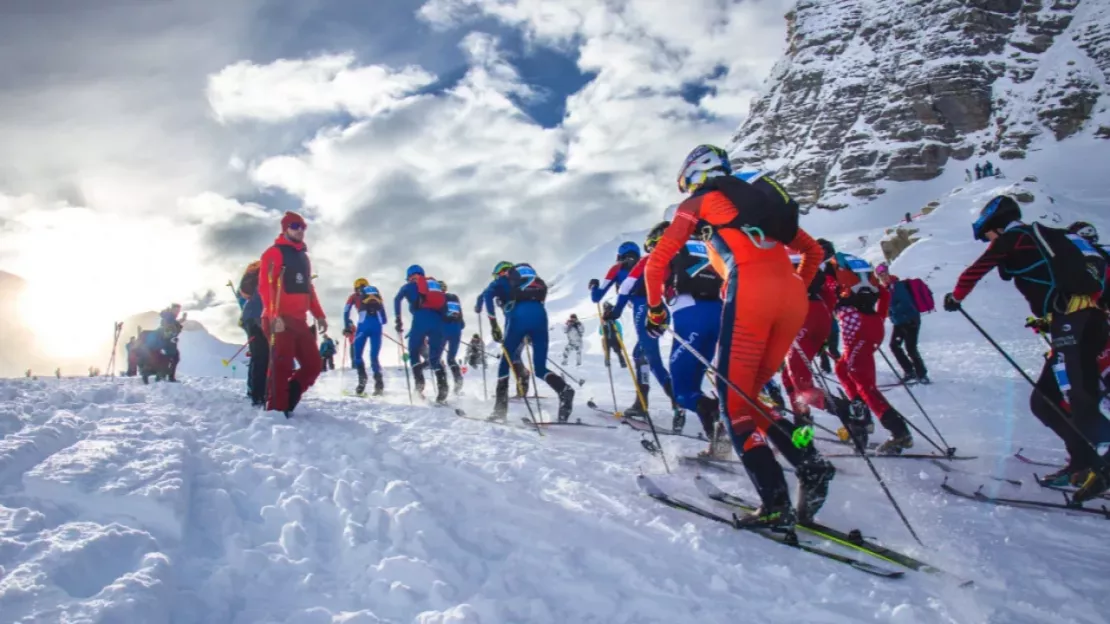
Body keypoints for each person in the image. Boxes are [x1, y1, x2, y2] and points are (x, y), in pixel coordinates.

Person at [643, 144, 835, 526]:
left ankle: (775, 502)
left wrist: (655, 309)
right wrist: (794, 287)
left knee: (734, 404)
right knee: (749, 397)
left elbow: (657, 261)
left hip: (750, 293)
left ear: (695, 174)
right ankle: (810, 462)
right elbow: (813, 252)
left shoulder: (700, 204)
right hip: (791, 298)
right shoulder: (761, 206)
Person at [944, 196, 1110, 502]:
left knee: (1078, 398)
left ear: (996, 226)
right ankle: (1084, 461)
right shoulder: (1049, 236)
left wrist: (955, 297)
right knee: (1045, 400)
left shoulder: (1014, 238)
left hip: (1073, 323)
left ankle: (1101, 460)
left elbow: (976, 269)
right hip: (1083, 322)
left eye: (987, 234)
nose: (988, 240)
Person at [642, 220, 728, 441]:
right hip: (719, 312)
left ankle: (720, 412)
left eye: (651, 246)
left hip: (691, 318)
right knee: (697, 385)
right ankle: (717, 438)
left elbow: (654, 278)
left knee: (681, 392)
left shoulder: (668, 250)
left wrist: (655, 314)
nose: (652, 251)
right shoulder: (702, 246)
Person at [826, 249, 914, 454]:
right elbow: (883, 293)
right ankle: (861, 418)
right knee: (842, 369)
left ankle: (899, 432)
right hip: (869, 325)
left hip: (858, 330)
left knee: (863, 383)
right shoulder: (857, 270)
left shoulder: (831, 275)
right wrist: (878, 318)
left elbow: (826, 299)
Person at [481, 261, 575, 421]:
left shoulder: (501, 283)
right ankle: (564, 390)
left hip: (519, 319)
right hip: (540, 316)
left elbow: (487, 298)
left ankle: (500, 411)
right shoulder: (530, 284)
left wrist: (493, 324)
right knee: (539, 367)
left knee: (505, 362)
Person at [597, 241, 678, 420]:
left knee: (653, 360)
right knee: (641, 355)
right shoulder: (645, 263)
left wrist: (594, 287)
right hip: (661, 311)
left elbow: (597, 296)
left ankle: (674, 403)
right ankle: (644, 403)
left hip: (644, 311)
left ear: (620, 256)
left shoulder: (618, 269)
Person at [258, 211, 328, 417]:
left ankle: (286, 401)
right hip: (278, 318)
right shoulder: (274, 253)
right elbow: (265, 287)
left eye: (303, 227)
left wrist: (319, 314)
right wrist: (273, 315)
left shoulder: (304, 258)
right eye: (295, 226)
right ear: (285, 228)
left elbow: (308, 289)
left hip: (299, 321)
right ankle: (276, 410)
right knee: (282, 365)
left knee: (314, 364)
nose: (300, 231)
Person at [781, 244, 839, 428]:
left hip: (803, 315)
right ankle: (802, 423)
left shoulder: (780, 256)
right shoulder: (808, 259)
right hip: (819, 313)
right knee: (789, 377)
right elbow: (829, 297)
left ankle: (847, 410)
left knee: (799, 380)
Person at [394, 265, 449, 402]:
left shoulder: (409, 286)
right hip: (437, 322)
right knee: (435, 357)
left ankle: (419, 387)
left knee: (413, 351)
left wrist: (398, 319)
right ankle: (443, 389)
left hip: (420, 320)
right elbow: (444, 308)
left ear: (410, 276)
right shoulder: (433, 286)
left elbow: (397, 299)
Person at [477, 262, 530, 394]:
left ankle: (520, 383)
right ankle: (523, 382)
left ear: (501, 272)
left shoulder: (500, 282)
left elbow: (485, 296)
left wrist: (493, 325)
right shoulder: (522, 280)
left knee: (510, 355)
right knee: (514, 354)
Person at [875, 263, 929, 384]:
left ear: (888, 274)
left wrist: (890, 309)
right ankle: (909, 371)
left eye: (884, 275)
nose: (883, 278)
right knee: (894, 346)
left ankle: (922, 374)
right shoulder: (887, 289)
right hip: (899, 322)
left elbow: (904, 303)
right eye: (880, 276)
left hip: (911, 320)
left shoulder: (898, 286)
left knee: (910, 348)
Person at [344, 278, 386, 396]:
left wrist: (347, 326)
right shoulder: (376, 296)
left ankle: (362, 382)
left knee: (357, 356)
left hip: (362, 327)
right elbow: (384, 319)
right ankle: (379, 385)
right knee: (374, 356)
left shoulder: (354, 296)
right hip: (377, 328)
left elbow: (346, 311)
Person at [239, 261, 268, 406]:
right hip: (257, 317)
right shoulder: (265, 276)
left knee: (260, 354)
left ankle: (256, 392)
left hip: (251, 317)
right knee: (262, 355)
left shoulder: (255, 275)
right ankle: (258, 394)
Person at [441, 281, 466, 395]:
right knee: (451, 358)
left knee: (435, 358)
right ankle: (458, 380)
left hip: (443, 329)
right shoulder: (454, 298)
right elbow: (462, 321)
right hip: (456, 329)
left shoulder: (437, 299)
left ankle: (443, 386)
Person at [158, 304, 184, 382]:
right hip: (168, 342)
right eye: (176, 310)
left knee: (171, 358)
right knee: (172, 358)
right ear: (172, 309)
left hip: (170, 341)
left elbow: (174, 327)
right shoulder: (169, 317)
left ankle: (165, 376)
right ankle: (167, 376)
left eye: (178, 311)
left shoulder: (170, 317)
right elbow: (166, 329)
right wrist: (172, 337)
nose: (177, 312)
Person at [599, 303, 627, 367]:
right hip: (607, 340)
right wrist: (602, 325)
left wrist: (621, 341)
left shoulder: (615, 322)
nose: (607, 312)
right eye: (606, 310)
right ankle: (607, 363)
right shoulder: (604, 321)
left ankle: (623, 364)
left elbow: (619, 331)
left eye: (609, 310)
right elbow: (600, 332)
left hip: (614, 340)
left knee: (618, 352)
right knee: (607, 352)